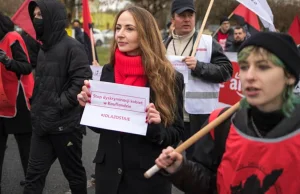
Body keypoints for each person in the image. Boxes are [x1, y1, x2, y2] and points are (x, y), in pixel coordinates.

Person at [155, 32, 300, 193]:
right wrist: (181, 169)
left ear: (290, 76)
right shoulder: (220, 123)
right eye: (244, 67)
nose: (249, 76)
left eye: (263, 67)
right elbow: (211, 184)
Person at [77, 6, 184, 194]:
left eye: (129, 28)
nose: (120, 34)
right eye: (118, 28)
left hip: (147, 179)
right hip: (108, 176)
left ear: (146, 33)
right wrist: (87, 107)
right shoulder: (108, 71)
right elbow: (101, 128)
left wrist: (156, 126)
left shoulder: (170, 77)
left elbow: (176, 133)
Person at [23, 0, 92, 194]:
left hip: (65, 127)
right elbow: (43, 83)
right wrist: (36, 103)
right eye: (34, 15)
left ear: (53, 17)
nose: (36, 19)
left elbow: (82, 80)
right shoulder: (43, 49)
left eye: (40, 15)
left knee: (74, 175)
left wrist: (58, 105)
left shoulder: (73, 47)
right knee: (33, 178)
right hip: (41, 125)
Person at [164, 0, 232, 160]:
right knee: (166, 162)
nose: (187, 19)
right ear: (173, 19)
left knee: (197, 164)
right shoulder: (163, 45)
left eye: (190, 15)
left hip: (198, 116)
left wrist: (199, 67)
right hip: (170, 116)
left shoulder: (207, 42)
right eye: (182, 15)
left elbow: (227, 71)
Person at [0, 13, 34, 193]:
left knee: (25, 145)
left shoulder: (12, 37)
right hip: (0, 103)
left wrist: (6, 60)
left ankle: (32, 182)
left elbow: (26, 67)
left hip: (17, 102)